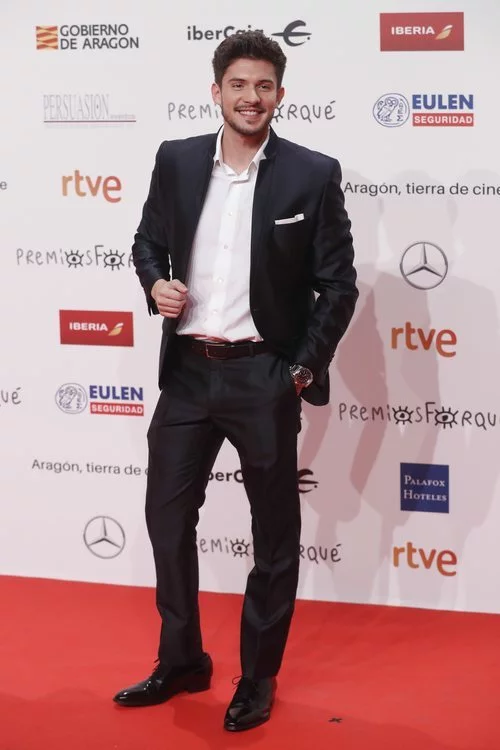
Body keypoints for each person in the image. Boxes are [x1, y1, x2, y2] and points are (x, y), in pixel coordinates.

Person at [113, 30, 358, 732]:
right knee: (167, 521)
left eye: (264, 86)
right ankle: (183, 659)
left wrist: (298, 371)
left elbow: (338, 286)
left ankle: (257, 677)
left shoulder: (311, 174)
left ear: (280, 94)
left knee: (274, 536)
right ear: (216, 90)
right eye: (239, 85)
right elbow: (147, 240)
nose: (252, 97)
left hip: (263, 376)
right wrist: (155, 282)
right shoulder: (177, 159)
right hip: (188, 374)